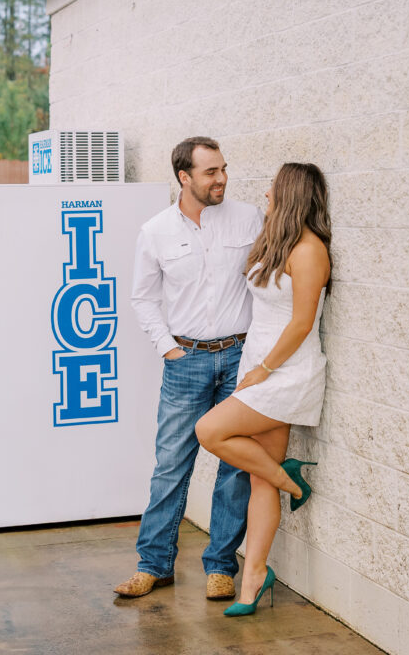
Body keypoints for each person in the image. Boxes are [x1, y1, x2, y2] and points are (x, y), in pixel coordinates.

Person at [114, 137, 264, 601]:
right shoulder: (155, 231)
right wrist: (168, 349)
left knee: (235, 465)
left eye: (223, 169)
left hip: (240, 357)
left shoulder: (248, 217)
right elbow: (142, 297)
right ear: (184, 177)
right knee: (171, 465)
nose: (221, 179)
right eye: (210, 172)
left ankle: (220, 566)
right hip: (186, 360)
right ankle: (153, 564)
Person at [195, 162, 331, 616]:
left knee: (209, 431)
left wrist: (266, 369)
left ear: (291, 195)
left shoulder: (310, 251)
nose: (266, 197)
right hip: (260, 364)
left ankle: (290, 481)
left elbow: (302, 322)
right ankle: (253, 580)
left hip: (286, 372)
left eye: (273, 192)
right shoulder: (276, 244)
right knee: (258, 477)